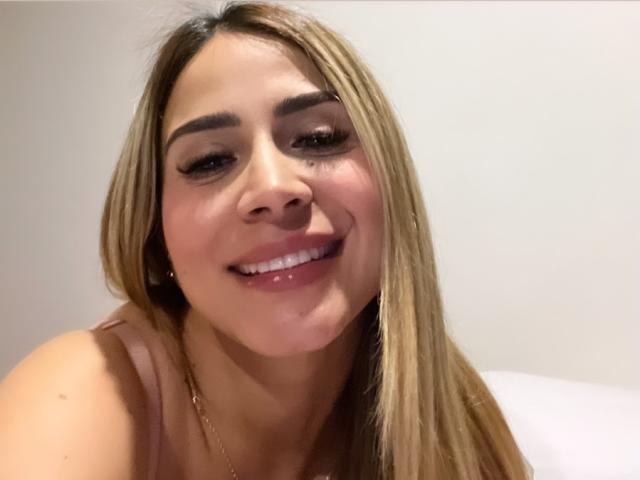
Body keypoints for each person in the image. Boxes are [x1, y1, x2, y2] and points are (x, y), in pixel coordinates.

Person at [0, 2, 532, 479]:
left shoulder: (452, 423)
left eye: (319, 138)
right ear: (155, 229)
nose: (273, 188)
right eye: (209, 160)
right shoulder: (82, 393)